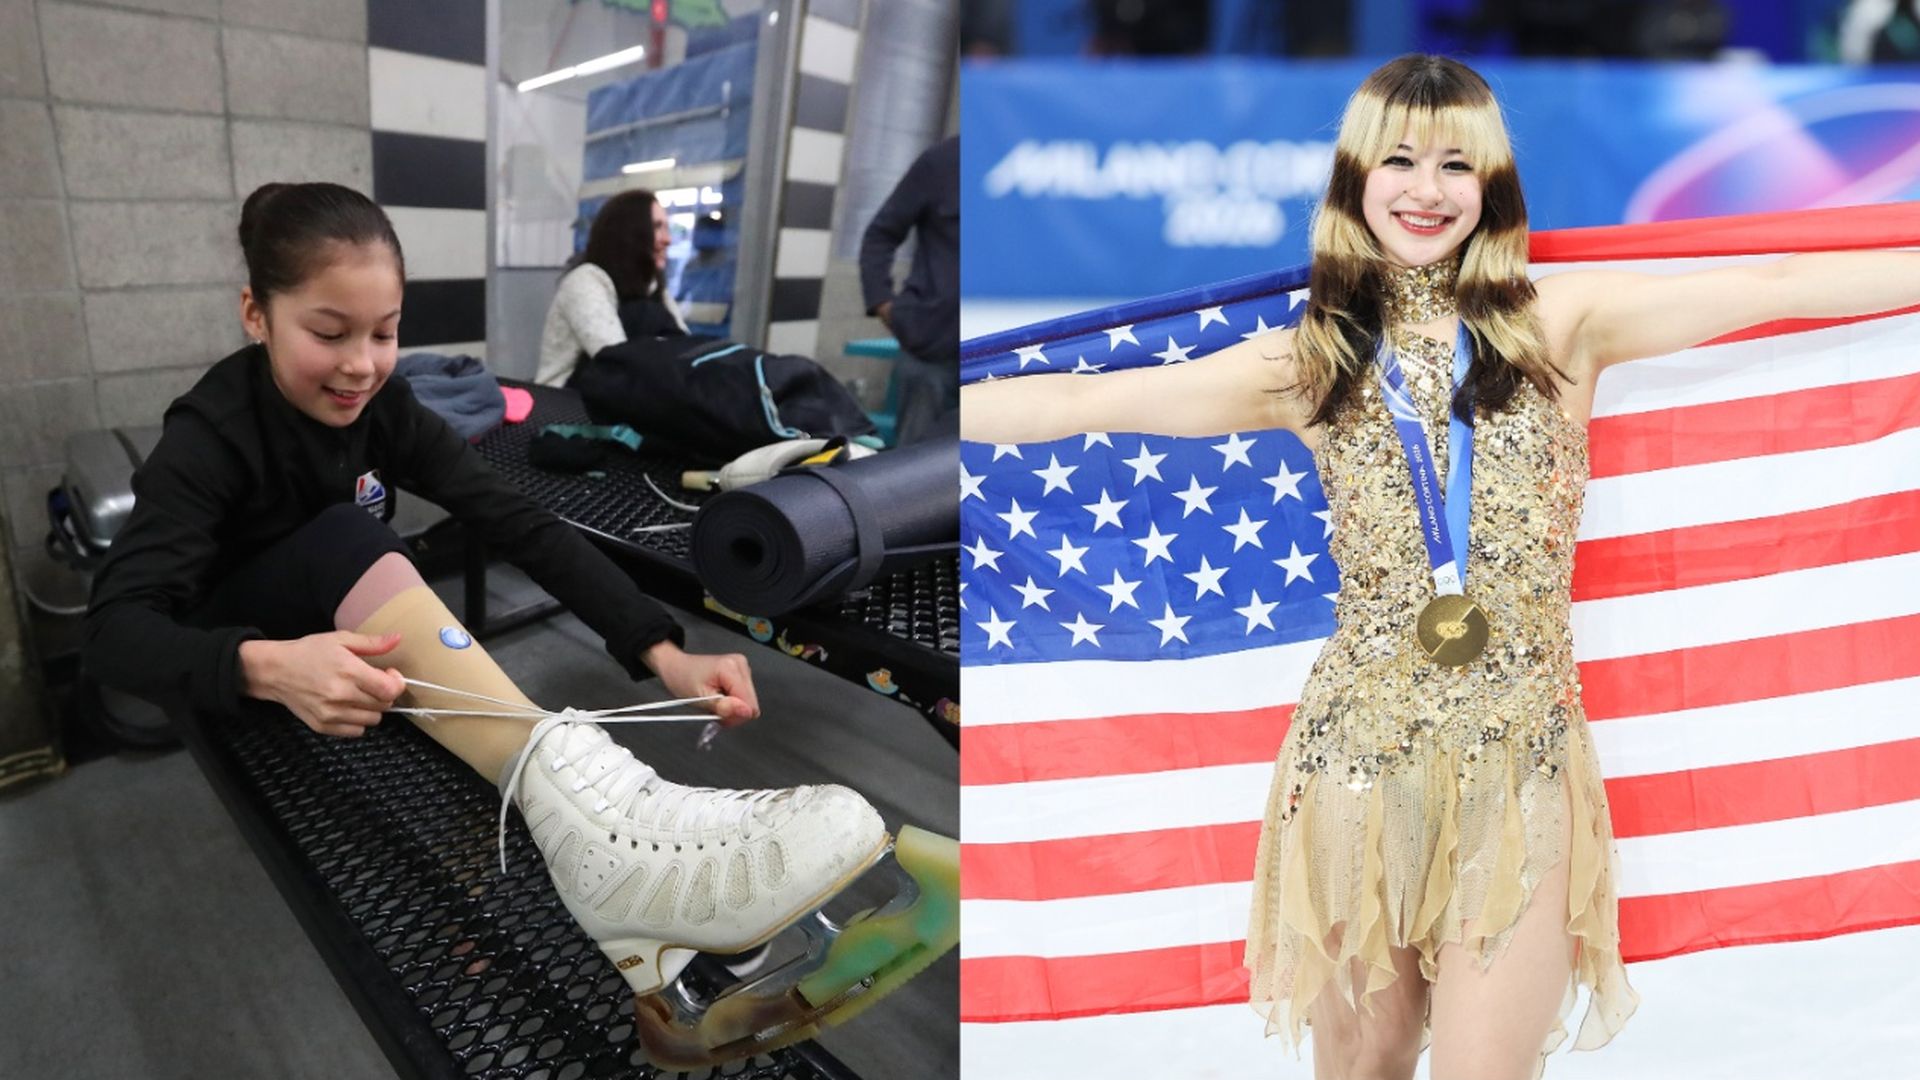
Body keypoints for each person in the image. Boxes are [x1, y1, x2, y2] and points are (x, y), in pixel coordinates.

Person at [962, 55, 1920, 1080]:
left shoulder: (1564, 325)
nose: (1426, 189)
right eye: (1401, 160)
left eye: (1456, 165)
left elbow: (1775, 285)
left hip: (1523, 769)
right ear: (1354, 179)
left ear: (1492, 184)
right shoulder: (1311, 362)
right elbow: (1072, 408)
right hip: (1355, 767)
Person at [84, 181, 950, 1063]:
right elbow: (113, 631)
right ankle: (611, 845)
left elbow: (513, 517)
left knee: (390, 562)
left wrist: (661, 646)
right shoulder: (210, 433)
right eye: (328, 332)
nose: (360, 365)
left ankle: (623, 875)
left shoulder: (381, 406)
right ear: (255, 315)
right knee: (353, 534)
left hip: (349, 640)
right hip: (249, 663)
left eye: (385, 334)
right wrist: (265, 667)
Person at [860, 134, 959, 444]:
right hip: (932, 355)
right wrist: (883, 303)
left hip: (1010, 359)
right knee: (913, 476)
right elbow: (881, 234)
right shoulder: (944, 161)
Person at [534, 187, 687, 387]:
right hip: (564, 403)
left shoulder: (652, 286)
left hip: (623, 400)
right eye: (657, 227)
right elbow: (618, 362)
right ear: (630, 233)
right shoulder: (584, 280)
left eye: (667, 228)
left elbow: (685, 352)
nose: (667, 240)